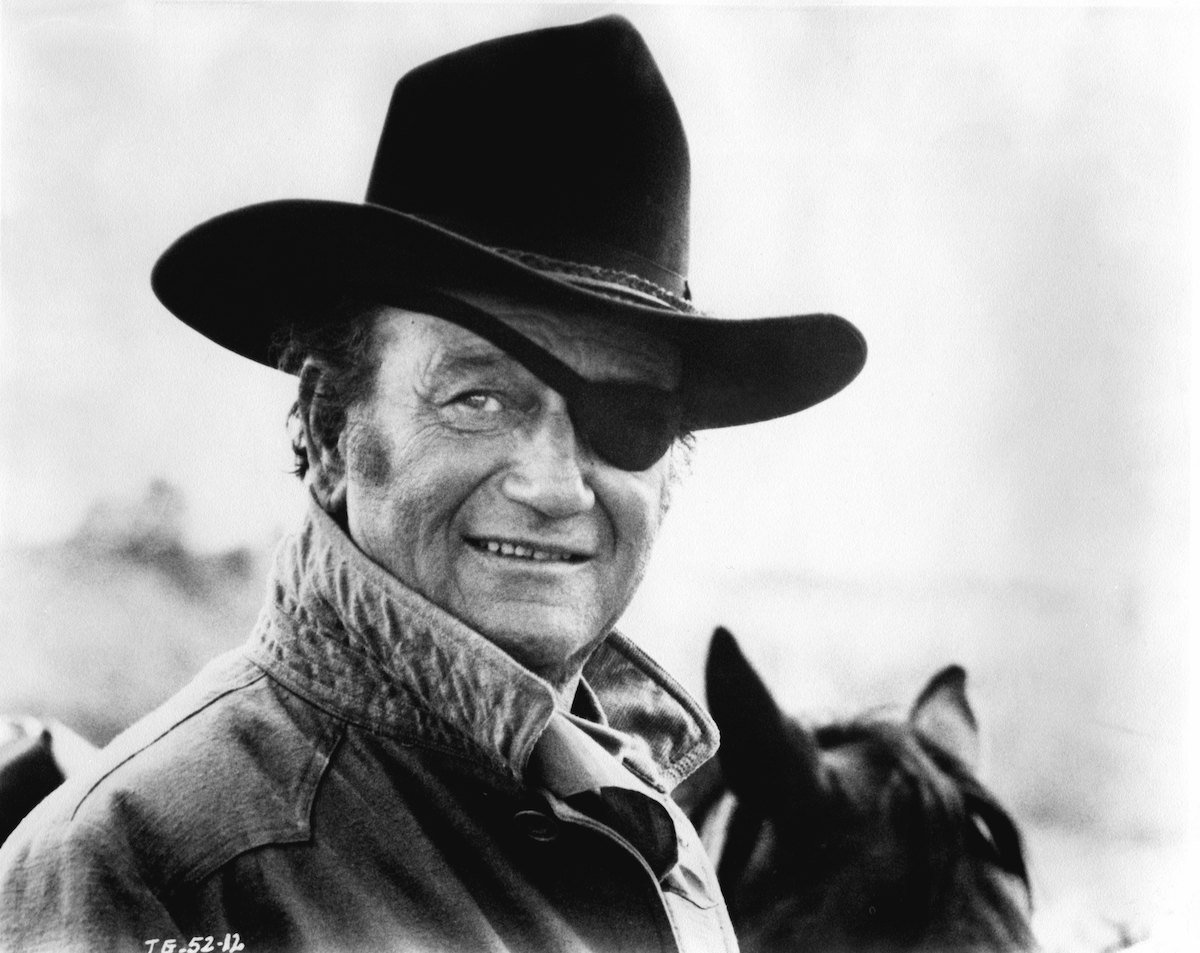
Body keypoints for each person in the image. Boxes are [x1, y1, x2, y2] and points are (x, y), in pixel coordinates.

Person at [0, 15, 864, 953]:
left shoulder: (655, 838)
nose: (555, 485)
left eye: (626, 415)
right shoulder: (150, 872)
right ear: (331, 428)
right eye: (478, 398)